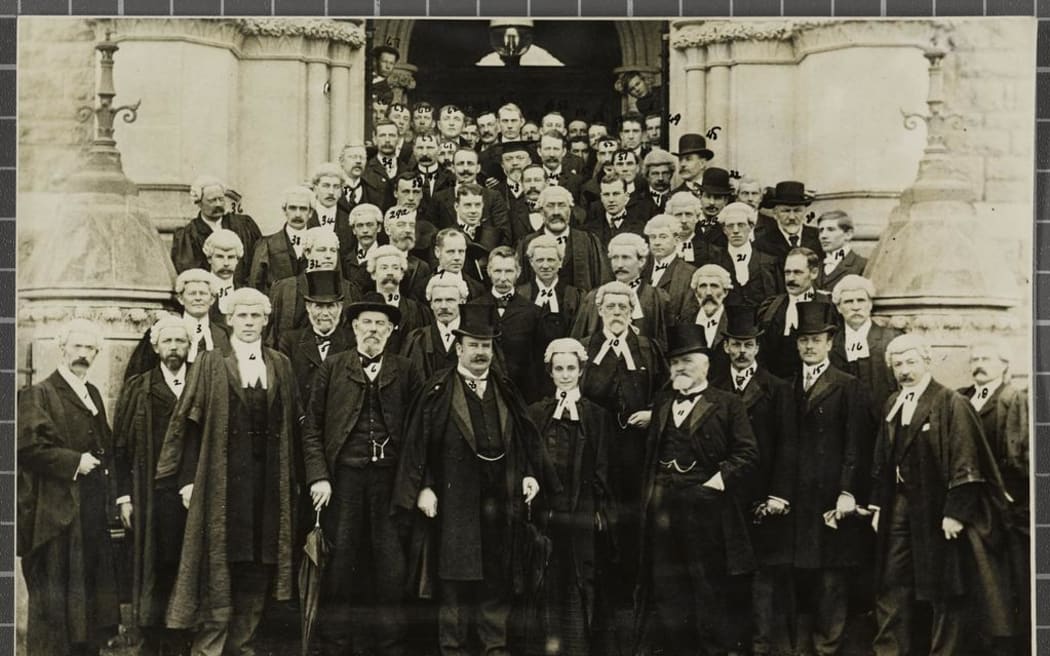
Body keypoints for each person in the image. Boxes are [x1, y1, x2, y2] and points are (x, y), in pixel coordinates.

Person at [393, 303, 546, 656]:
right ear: (459, 348)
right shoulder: (438, 390)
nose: (480, 353)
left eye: (486, 346)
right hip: (454, 499)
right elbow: (420, 443)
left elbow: (521, 438)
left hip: (500, 500)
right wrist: (426, 486)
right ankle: (454, 648)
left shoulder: (504, 388)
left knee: (497, 578)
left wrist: (527, 473)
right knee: (455, 580)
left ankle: (495, 648)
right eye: (473, 345)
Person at [155, 288, 301, 656]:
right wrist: (188, 479)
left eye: (256, 316)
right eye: (242, 316)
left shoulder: (280, 364)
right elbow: (189, 422)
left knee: (259, 563)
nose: (249, 323)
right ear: (229, 319)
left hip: (267, 484)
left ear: (266, 321)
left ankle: (244, 647)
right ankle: (210, 649)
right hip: (223, 483)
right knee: (220, 564)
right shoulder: (209, 362)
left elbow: (295, 424)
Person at [869, 334, 1014, 656]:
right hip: (898, 505)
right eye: (898, 364)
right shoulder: (892, 403)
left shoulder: (950, 403)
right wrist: (878, 505)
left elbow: (966, 459)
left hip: (937, 509)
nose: (905, 370)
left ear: (926, 362)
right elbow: (882, 458)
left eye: (911, 362)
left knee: (943, 587)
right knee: (891, 581)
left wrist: (956, 512)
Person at [302, 291, 422, 656]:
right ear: (353, 327)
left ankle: (391, 647)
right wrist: (319, 476)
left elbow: (420, 431)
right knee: (339, 569)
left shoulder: (405, 369)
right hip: (344, 483)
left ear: (391, 331)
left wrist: (417, 484)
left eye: (380, 324)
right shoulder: (334, 367)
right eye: (366, 323)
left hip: (390, 485)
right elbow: (311, 428)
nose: (373, 330)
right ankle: (337, 646)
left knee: (391, 569)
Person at [636, 322, 758, 656]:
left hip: (706, 512)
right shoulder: (663, 403)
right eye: (675, 362)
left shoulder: (728, 403)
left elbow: (747, 454)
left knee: (707, 587)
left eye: (687, 361)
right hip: (663, 510)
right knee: (667, 587)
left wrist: (714, 484)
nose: (680, 368)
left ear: (705, 364)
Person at [18, 319, 121, 656]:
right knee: (57, 599)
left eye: (90, 348)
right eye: (76, 347)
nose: (82, 354)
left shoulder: (91, 393)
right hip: (57, 510)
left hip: (89, 509)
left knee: (87, 596)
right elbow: (28, 448)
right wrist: (75, 462)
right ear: (62, 349)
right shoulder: (40, 394)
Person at [577, 280, 667, 654]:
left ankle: (631, 622)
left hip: (635, 456)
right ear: (599, 311)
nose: (617, 314)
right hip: (595, 455)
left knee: (632, 529)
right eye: (610, 307)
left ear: (633, 312)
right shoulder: (584, 349)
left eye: (624, 308)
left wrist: (653, 412)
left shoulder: (648, 348)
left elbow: (668, 392)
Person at [786, 301, 874, 656]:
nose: (809, 346)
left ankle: (828, 647)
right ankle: (804, 647)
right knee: (802, 574)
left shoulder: (848, 385)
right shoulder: (787, 386)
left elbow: (857, 444)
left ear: (829, 342)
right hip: (797, 495)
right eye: (804, 340)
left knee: (831, 577)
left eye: (816, 339)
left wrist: (848, 491)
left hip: (830, 496)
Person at [711, 304, 799, 656]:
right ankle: (732, 645)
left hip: (763, 498)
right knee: (728, 573)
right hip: (726, 495)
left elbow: (788, 447)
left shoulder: (777, 389)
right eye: (736, 344)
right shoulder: (715, 387)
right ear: (726, 347)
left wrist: (779, 494)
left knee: (763, 578)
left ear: (758, 348)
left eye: (749, 344)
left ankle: (762, 647)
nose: (742, 351)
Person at [524, 338, 613, 656]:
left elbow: (602, 465)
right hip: (547, 513)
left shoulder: (596, 416)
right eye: (558, 369)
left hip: (582, 512)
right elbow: (528, 460)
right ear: (550, 372)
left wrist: (599, 510)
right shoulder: (535, 413)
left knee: (580, 579)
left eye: (571, 368)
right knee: (546, 579)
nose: (565, 374)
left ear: (581, 371)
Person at [113, 315, 192, 656]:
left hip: (189, 494)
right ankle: (152, 638)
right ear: (156, 347)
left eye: (180, 342)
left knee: (185, 566)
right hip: (149, 494)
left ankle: (181, 639)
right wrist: (124, 497)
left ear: (189, 347)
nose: (174, 348)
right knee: (153, 568)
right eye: (168, 342)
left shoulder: (200, 384)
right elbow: (120, 447)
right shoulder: (139, 387)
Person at [958, 339, 1030, 654]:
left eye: (987, 357)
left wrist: (1013, 499)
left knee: (1002, 578)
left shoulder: (1012, 399)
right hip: (969, 501)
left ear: (1003, 364)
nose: (979, 363)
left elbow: (1020, 456)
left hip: (1002, 504)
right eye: (974, 358)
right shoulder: (960, 398)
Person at [124, 269, 232, 379]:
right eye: (192, 294)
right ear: (180, 299)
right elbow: (138, 379)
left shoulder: (225, 334)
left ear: (212, 299)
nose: (198, 298)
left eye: (203, 293)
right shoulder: (160, 330)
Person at [469, 246, 543, 402]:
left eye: (508, 271)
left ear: (518, 272)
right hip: (484, 393)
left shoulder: (533, 312)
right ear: (488, 271)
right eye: (497, 271)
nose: (503, 278)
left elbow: (538, 361)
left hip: (523, 394)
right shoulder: (475, 308)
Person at [517, 234, 585, 399]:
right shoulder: (520, 294)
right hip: (528, 378)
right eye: (540, 260)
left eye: (551, 260)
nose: (545, 265)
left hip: (564, 377)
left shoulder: (575, 296)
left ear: (560, 262)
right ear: (531, 263)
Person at [571, 232, 669, 347]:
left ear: (641, 261)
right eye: (615, 258)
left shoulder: (656, 297)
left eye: (626, 258)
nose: (619, 264)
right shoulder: (594, 297)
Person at [267, 228, 359, 346]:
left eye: (333, 251)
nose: (328, 256)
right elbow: (271, 337)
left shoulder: (349, 290)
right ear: (307, 253)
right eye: (322, 250)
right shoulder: (284, 289)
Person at [829, 275, 904, 418]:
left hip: (884, 420)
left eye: (861, 300)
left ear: (870, 304)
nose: (856, 307)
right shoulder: (831, 343)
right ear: (838, 307)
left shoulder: (891, 339)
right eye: (849, 302)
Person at [276, 269, 355, 404]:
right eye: (318, 306)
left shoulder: (353, 342)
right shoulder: (290, 342)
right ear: (308, 307)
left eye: (330, 306)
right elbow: (285, 388)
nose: (325, 313)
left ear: (340, 307)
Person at [757, 248, 834, 380]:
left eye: (797, 272)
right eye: (787, 273)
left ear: (814, 273)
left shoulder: (828, 305)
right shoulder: (771, 307)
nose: (790, 279)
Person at [517, 185, 610, 292]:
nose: (556, 212)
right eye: (550, 206)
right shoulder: (526, 244)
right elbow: (521, 288)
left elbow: (601, 284)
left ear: (570, 210)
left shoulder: (588, 241)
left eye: (561, 205)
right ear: (541, 212)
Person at [171, 175, 261, 284]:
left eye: (221, 199)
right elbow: (190, 273)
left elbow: (258, 262)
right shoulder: (188, 235)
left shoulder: (244, 225)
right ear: (199, 203)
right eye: (212, 201)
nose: (218, 204)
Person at [362, 244, 430, 353]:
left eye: (395, 267)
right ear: (373, 274)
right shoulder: (362, 310)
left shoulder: (418, 311)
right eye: (384, 267)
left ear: (402, 274)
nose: (390, 272)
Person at [710, 202, 780, 306]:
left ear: (751, 227)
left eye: (741, 225)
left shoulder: (769, 262)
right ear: (724, 230)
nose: (736, 231)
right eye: (730, 226)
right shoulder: (715, 261)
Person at [401, 273, 469, 380]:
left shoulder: (473, 338)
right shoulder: (417, 340)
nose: (443, 306)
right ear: (431, 304)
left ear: (462, 302)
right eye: (438, 300)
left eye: (450, 300)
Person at [674, 264, 734, 381]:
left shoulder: (733, 322)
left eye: (714, 286)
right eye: (702, 286)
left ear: (725, 292)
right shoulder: (685, 321)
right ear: (696, 293)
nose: (708, 293)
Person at [249, 185, 312, 295]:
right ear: (284, 211)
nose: (297, 214)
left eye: (303, 209)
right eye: (292, 208)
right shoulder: (267, 245)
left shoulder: (321, 243)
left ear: (310, 213)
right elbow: (255, 285)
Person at [753, 181, 823, 266]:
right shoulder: (762, 245)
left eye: (797, 211)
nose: (792, 217)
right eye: (786, 211)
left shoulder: (820, 237)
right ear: (775, 213)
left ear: (805, 212)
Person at [643, 213, 698, 322]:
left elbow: (687, 316)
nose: (657, 242)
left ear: (676, 240)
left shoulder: (689, 274)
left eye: (663, 237)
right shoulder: (641, 269)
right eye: (653, 237)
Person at [582, 176, 648, 249]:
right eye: (606, 194)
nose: (611, 200)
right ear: (601, 197)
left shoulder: (641, 229)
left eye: (616, 194)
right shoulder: (588, 231)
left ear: (626, 197)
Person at [667, 190, 723, 267]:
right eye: (678, 215)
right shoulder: (662, 249)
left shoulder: (713, 252)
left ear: (697, 217)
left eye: (688, 214)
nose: (684, 220)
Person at [815, 210, 867, 292]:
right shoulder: (815, 266)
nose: (823, 236)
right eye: (821, 231)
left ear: (848, 234)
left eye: (831, 230)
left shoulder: (863, 265)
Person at [432, 228, 486, 299]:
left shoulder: (478, 289)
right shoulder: (421, 287)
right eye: (451, 252)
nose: (457, 258)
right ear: (437, 252)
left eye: (461, 251)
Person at [695, 167, 735, 248]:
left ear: (726, 200)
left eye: (717, 198)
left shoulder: (731, 225)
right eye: (707, 196)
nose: (711, 202)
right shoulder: (691, 222)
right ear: (700, 196)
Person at [670, 133, 714, 197]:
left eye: (688, 159)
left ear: (702, 163)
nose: (682, 164)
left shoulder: (718, 192)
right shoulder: (672, 197)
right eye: (680, 159)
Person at [636, 148, 676, 218]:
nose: (660, 178)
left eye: (665, 173)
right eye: (655, 174)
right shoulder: (637, 201)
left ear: (671, 174)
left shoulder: (677, 198)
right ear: (647, 176)